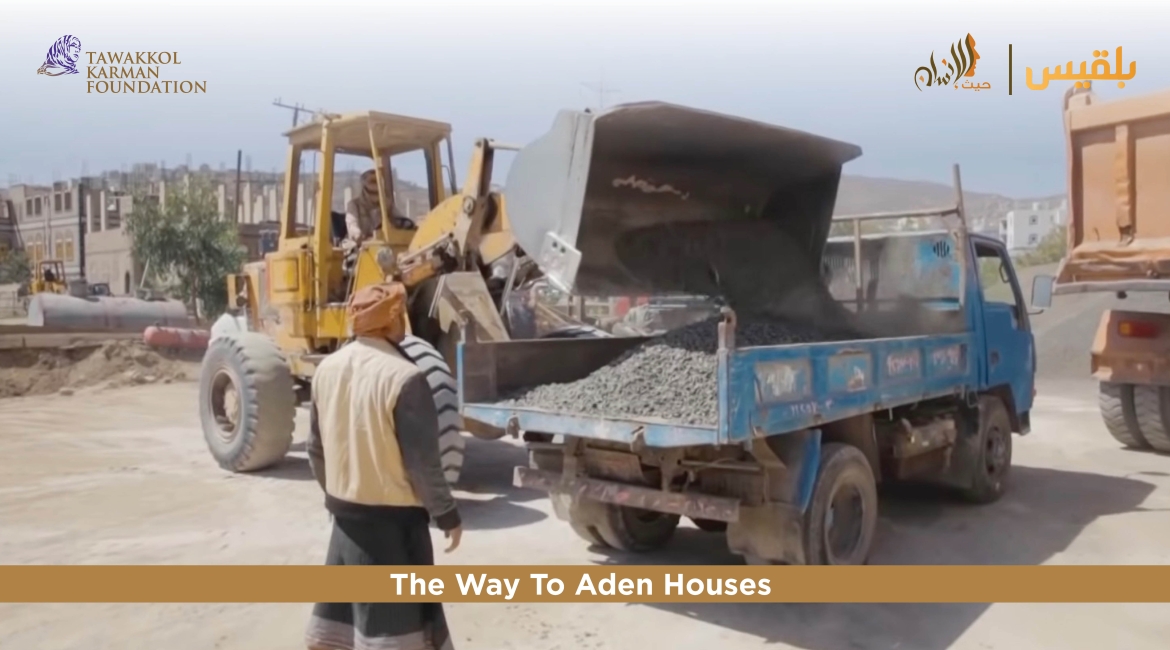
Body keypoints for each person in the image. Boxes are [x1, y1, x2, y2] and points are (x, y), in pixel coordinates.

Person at [304, 283, 462, 650]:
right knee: (394, 633)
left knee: (340, 635)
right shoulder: (406, 377)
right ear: (393, 320)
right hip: (394, 531)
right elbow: (422, 463)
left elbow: (316, 449)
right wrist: (448, 515)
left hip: (345, 524)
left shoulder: (326, 369)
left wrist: (340, 495)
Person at [344, 170, 412, 252]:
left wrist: (408, 225)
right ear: (364, 187)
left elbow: (400, 219)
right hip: (361, 247)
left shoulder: (387, 204)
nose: (374, 186)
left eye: (377, 181)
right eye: (372, 181)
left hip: (385, 246)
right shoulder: (354, 205)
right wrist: (358, 235)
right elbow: (352, 225)